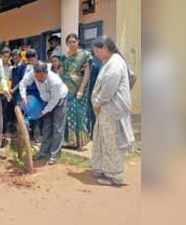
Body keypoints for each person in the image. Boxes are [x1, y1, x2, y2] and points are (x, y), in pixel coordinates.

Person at [90, 36, 135, 186]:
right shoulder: (109, 62)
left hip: (111, 109)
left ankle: (115, 176)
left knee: (111, 143)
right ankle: (103, 168)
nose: (95, 54)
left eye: (96, 51)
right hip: (106, 109)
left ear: (104, 49)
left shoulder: (115, 63)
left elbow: (109, 88)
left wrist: (98, 102)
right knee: (102, 139)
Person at [20, 62, 68, 165]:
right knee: (46, 127)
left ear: (46, 73)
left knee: (57, 128)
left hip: (59, 101)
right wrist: (24, 97)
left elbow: (54, 101)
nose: (39, 80)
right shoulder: (33, 74)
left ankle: (54, 155)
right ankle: (43, 152)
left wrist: (43, 112)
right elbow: (22, 84)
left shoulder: (55, 81)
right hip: (46, 100)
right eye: (37, 78)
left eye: (41, 77)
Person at [61, 33, 93, 150]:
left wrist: (81, 89)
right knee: (68, 114)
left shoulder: (85, 55)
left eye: (74, 41)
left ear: (78, 42)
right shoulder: (65, 57)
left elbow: (87, 74)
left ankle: (80, 143)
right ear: (66, 44)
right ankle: (70, 141)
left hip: (79, 89)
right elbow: (62, 73)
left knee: (79, 114)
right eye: (69, 42)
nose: (72, 44)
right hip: (67, 90)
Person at [0, 47, 15, 143]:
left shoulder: (10, 68)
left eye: (8, 57)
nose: (6, 58)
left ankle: (4, 132)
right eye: (4, 56)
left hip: (6, 94)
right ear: (1, 56)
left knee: (6, 114)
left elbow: (10, 80)